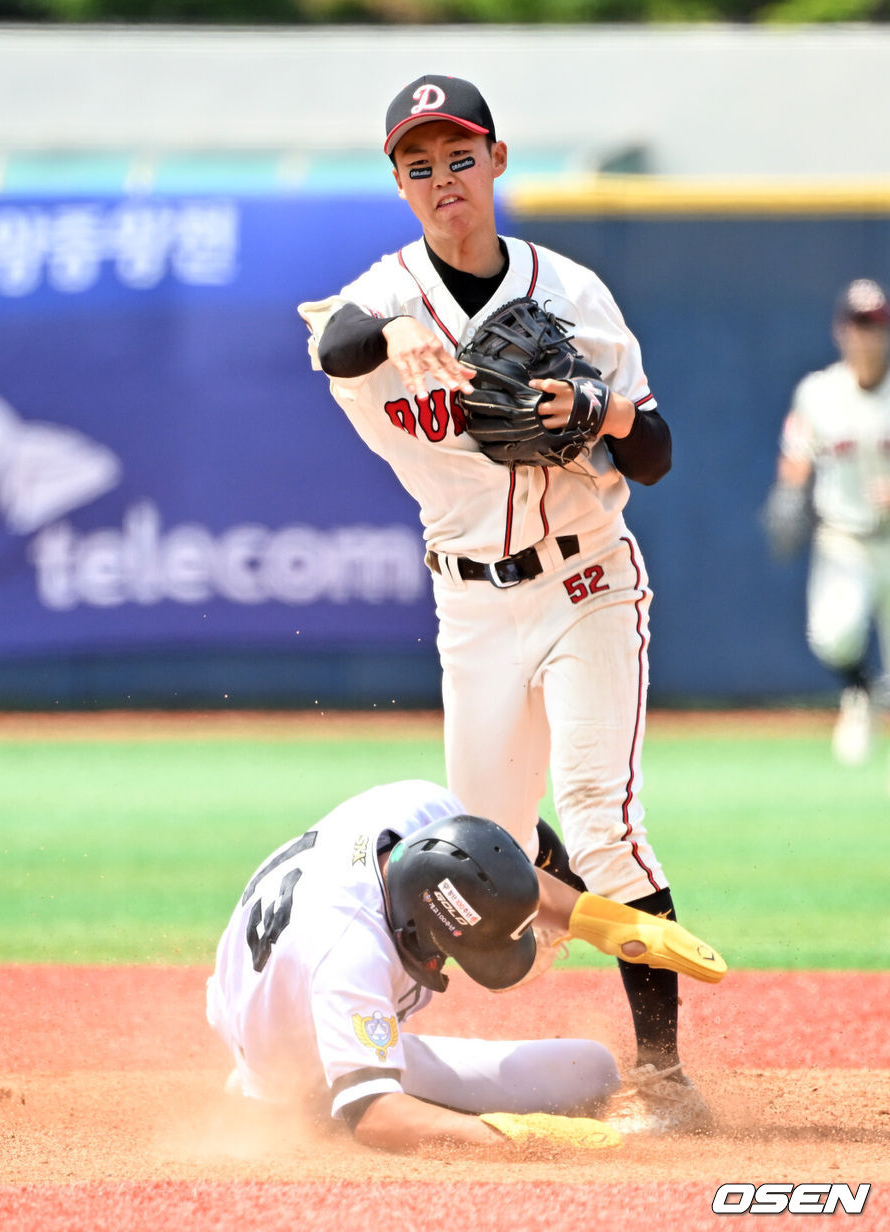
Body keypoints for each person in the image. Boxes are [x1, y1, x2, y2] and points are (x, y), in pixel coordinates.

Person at [297, 75, 706, 1132]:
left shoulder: (571, 292)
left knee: (600, 814)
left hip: (584, 581)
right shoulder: (382, 297)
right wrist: (398, 341)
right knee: (481, 845)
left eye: (459, 156)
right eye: (419, 165)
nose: (444, 180)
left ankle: (662, 1074)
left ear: (497, 160)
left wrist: (600, 408)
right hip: (469, 608)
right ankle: (398, 1023)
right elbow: (335, 344)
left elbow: (652, 454)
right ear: (398, 181)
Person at [206, 779, 725, 1155]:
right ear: (422, 932)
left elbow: (486, 863)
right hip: (292, 1066)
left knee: (590, 1067)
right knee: (588, 1073)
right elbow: (376, 1117)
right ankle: (296, 1100)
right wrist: (506, 1136)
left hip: (256, 983)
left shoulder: (422, 810)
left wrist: (601, 919)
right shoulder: (352, 958)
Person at [765, 277, 890, 766]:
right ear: (841, 331)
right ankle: (862, 690)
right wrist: (790, 493)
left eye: (875, 326)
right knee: (831, 634)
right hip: (846, 539)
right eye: (858, 326)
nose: (866, 337)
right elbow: (796, 457)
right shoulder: (818, 392)